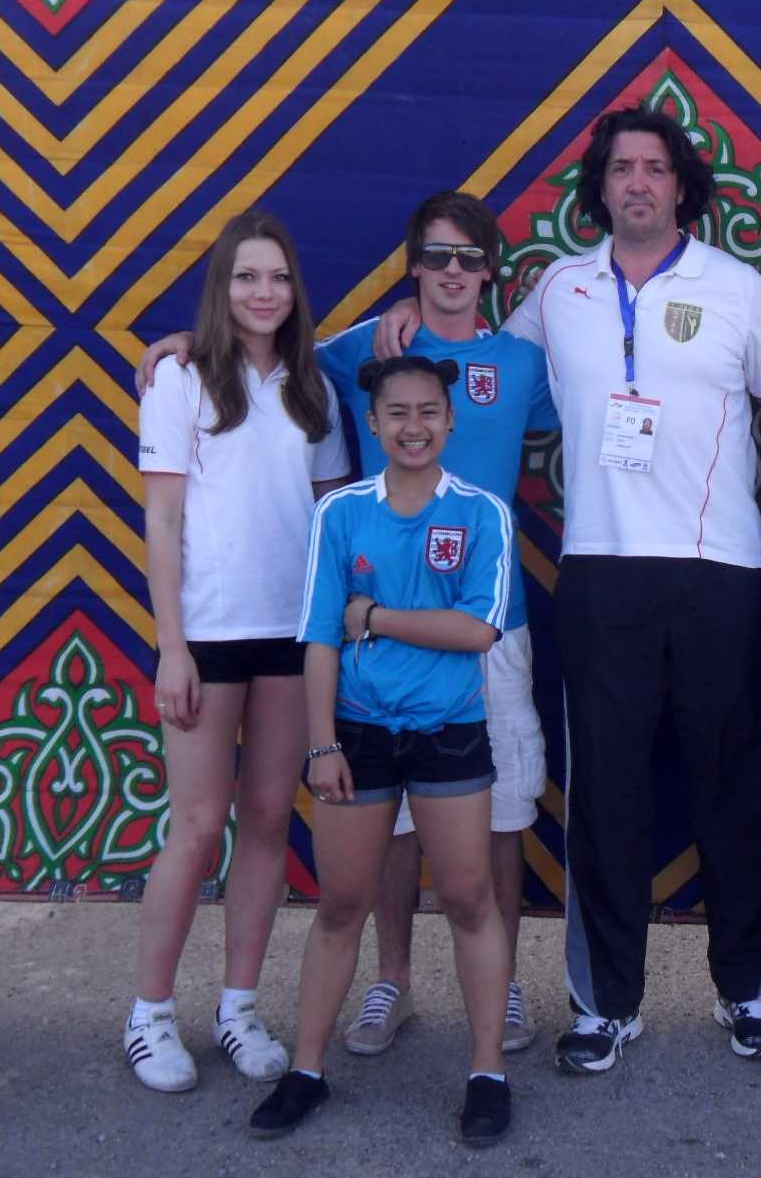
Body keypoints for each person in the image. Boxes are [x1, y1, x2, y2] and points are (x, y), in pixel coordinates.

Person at [374, 105, 761, 1071]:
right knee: (605, 792)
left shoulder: (738, 288)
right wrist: (404, 323)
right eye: (620, 169)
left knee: (732, 785)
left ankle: (749, 990)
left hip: (723, 568)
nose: (638, 183)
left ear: (682, 186)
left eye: (655, 167)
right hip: (600, 570)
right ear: (599, 189)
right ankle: (606, 1004)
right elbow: (475, 358)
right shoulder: (559, 289)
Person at [143, 192, 557, 1060]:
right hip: (361, 634)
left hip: (485, 624)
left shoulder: (522, 361)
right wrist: (184, 342)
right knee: (384, 820)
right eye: (435, 256)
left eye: (468, 257)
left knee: (500, 815)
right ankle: (389, 981)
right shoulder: (353, 352)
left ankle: (504, 985)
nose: (452, 272)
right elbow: (261, 345)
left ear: (491, 270)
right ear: (412, 267)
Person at [248, 357, 519, 1145]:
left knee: (468, 899)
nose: (414, 427)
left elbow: (477, 630)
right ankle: (307, 1071)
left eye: (429, 411)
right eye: (397, 413)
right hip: (357, 736)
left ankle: (487, 1073)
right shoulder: (340, 514)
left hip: (448, 732)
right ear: (371, 424)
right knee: (340, 905)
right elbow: (319, 638)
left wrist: (375, 617)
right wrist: (322, 743)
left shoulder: (482, 514)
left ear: (450, 420)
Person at [127, 210, 350, 1095]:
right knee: (196, 828)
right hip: (208, 636)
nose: (265, 293)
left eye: (280, 278)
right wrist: (171, 648)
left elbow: (332, 516)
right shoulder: (179, 378)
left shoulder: (314, 386)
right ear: (221, 287)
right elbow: (163, 518)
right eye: (247, 277)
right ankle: (149, 1015)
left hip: (290, 636)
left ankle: (239, 1007)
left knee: (265, 821)